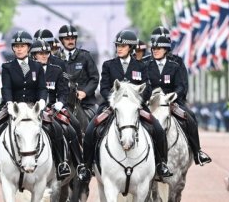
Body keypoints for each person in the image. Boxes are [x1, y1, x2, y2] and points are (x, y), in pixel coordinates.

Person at [80, 29, 173, 181]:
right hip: (112, 106)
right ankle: (86, 166)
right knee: (91, 129)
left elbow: (147, 89)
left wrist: (137, 102)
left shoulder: (141, 66)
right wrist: (113, 102)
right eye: (117, 45)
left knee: (157, 129)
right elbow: (104, 88)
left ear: (130, 48)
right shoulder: (108, 65)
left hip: (136, 107)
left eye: (123, 46)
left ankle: (161, 164)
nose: (119, 48)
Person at [0, 30, 51, 180]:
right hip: (13, 106)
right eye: (16, 46)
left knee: (55, 128)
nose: (18, 49)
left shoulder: (37, 66)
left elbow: (42, 88)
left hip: (33, 107)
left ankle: (60, 163)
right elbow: (6, 88)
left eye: (22, 46)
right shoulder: (7, 67)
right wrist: (9, 103)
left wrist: (42, 101)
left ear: (29, 47)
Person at [143, 26, 212, 165]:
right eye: (155, 45)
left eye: (161, 44)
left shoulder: (177, 62)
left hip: (173, 101)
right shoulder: (145, 62)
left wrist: (174, 95)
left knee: (190, 117)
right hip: (151, 102)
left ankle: (197, 152)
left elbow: (182, 85)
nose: (156, 48)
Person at [32, 38, 85, 181]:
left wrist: (60, 103)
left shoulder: (56, 69)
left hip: (53, 108)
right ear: (34, 55)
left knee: (73, 127)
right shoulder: (28, 70)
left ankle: (79, 164)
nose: (44, 55)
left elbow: (63, 92)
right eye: (40, 53)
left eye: (46, 53)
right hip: (33, 109)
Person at [57, 22, 101, 120]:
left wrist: (84, 92)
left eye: (72, 38)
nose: (70, 41)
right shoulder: (56, 59)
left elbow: (94, 78)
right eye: (67, 39)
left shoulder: (85, 56)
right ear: (61, 40)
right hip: (63, 104)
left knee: (96, 125)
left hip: (86, 104)